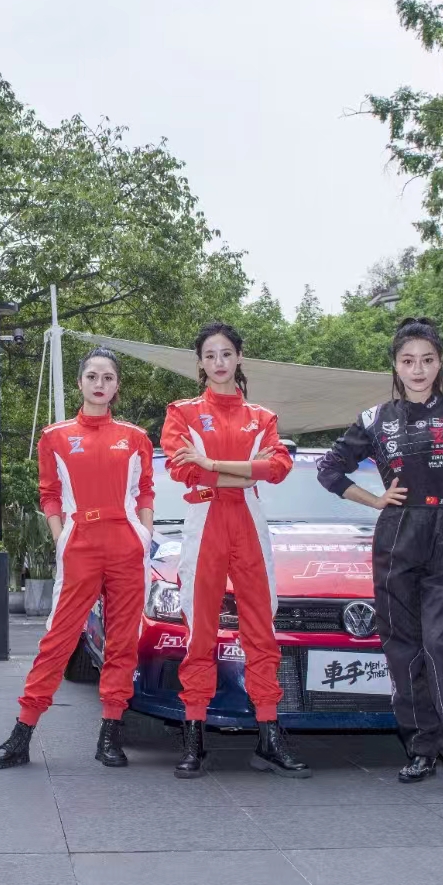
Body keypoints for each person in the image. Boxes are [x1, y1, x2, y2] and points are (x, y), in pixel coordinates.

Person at [317, 318, 443, 797]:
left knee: (441, 641)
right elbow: (330, 469)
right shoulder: (375, 418)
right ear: (395, 366)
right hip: (396, 535)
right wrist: (375, 500)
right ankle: (420, 748)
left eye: (427, 360)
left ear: (440, 363)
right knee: (402, 645)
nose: (418, 369)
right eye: (407, 360)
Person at [0, 349, 155, 770]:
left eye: (108, 377)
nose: (100, 384)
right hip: (80, 542)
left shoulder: (135, 437)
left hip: (126, 543)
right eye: (92, 376)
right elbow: (50, 493)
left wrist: (145, 534)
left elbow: (145, 491)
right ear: (79, 382)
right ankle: (22, 733)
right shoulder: (55, 436)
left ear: (117, 386)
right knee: (59, 638)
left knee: (122, 641)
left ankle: (111, 733)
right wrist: (62, 538)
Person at [159, 323, 304, 780]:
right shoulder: (182, 412)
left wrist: (212, 464)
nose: (219, 362)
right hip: (204, 521)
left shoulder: (261, 417)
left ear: (240, 357)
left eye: (226, 353)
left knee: (261, 628)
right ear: (200, 363)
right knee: (199, 629)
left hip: (249, 523)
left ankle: (269, 735)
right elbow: (184, 471)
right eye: (210, 354)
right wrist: (241, 472)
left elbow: (278, 467)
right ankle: (194, 736)